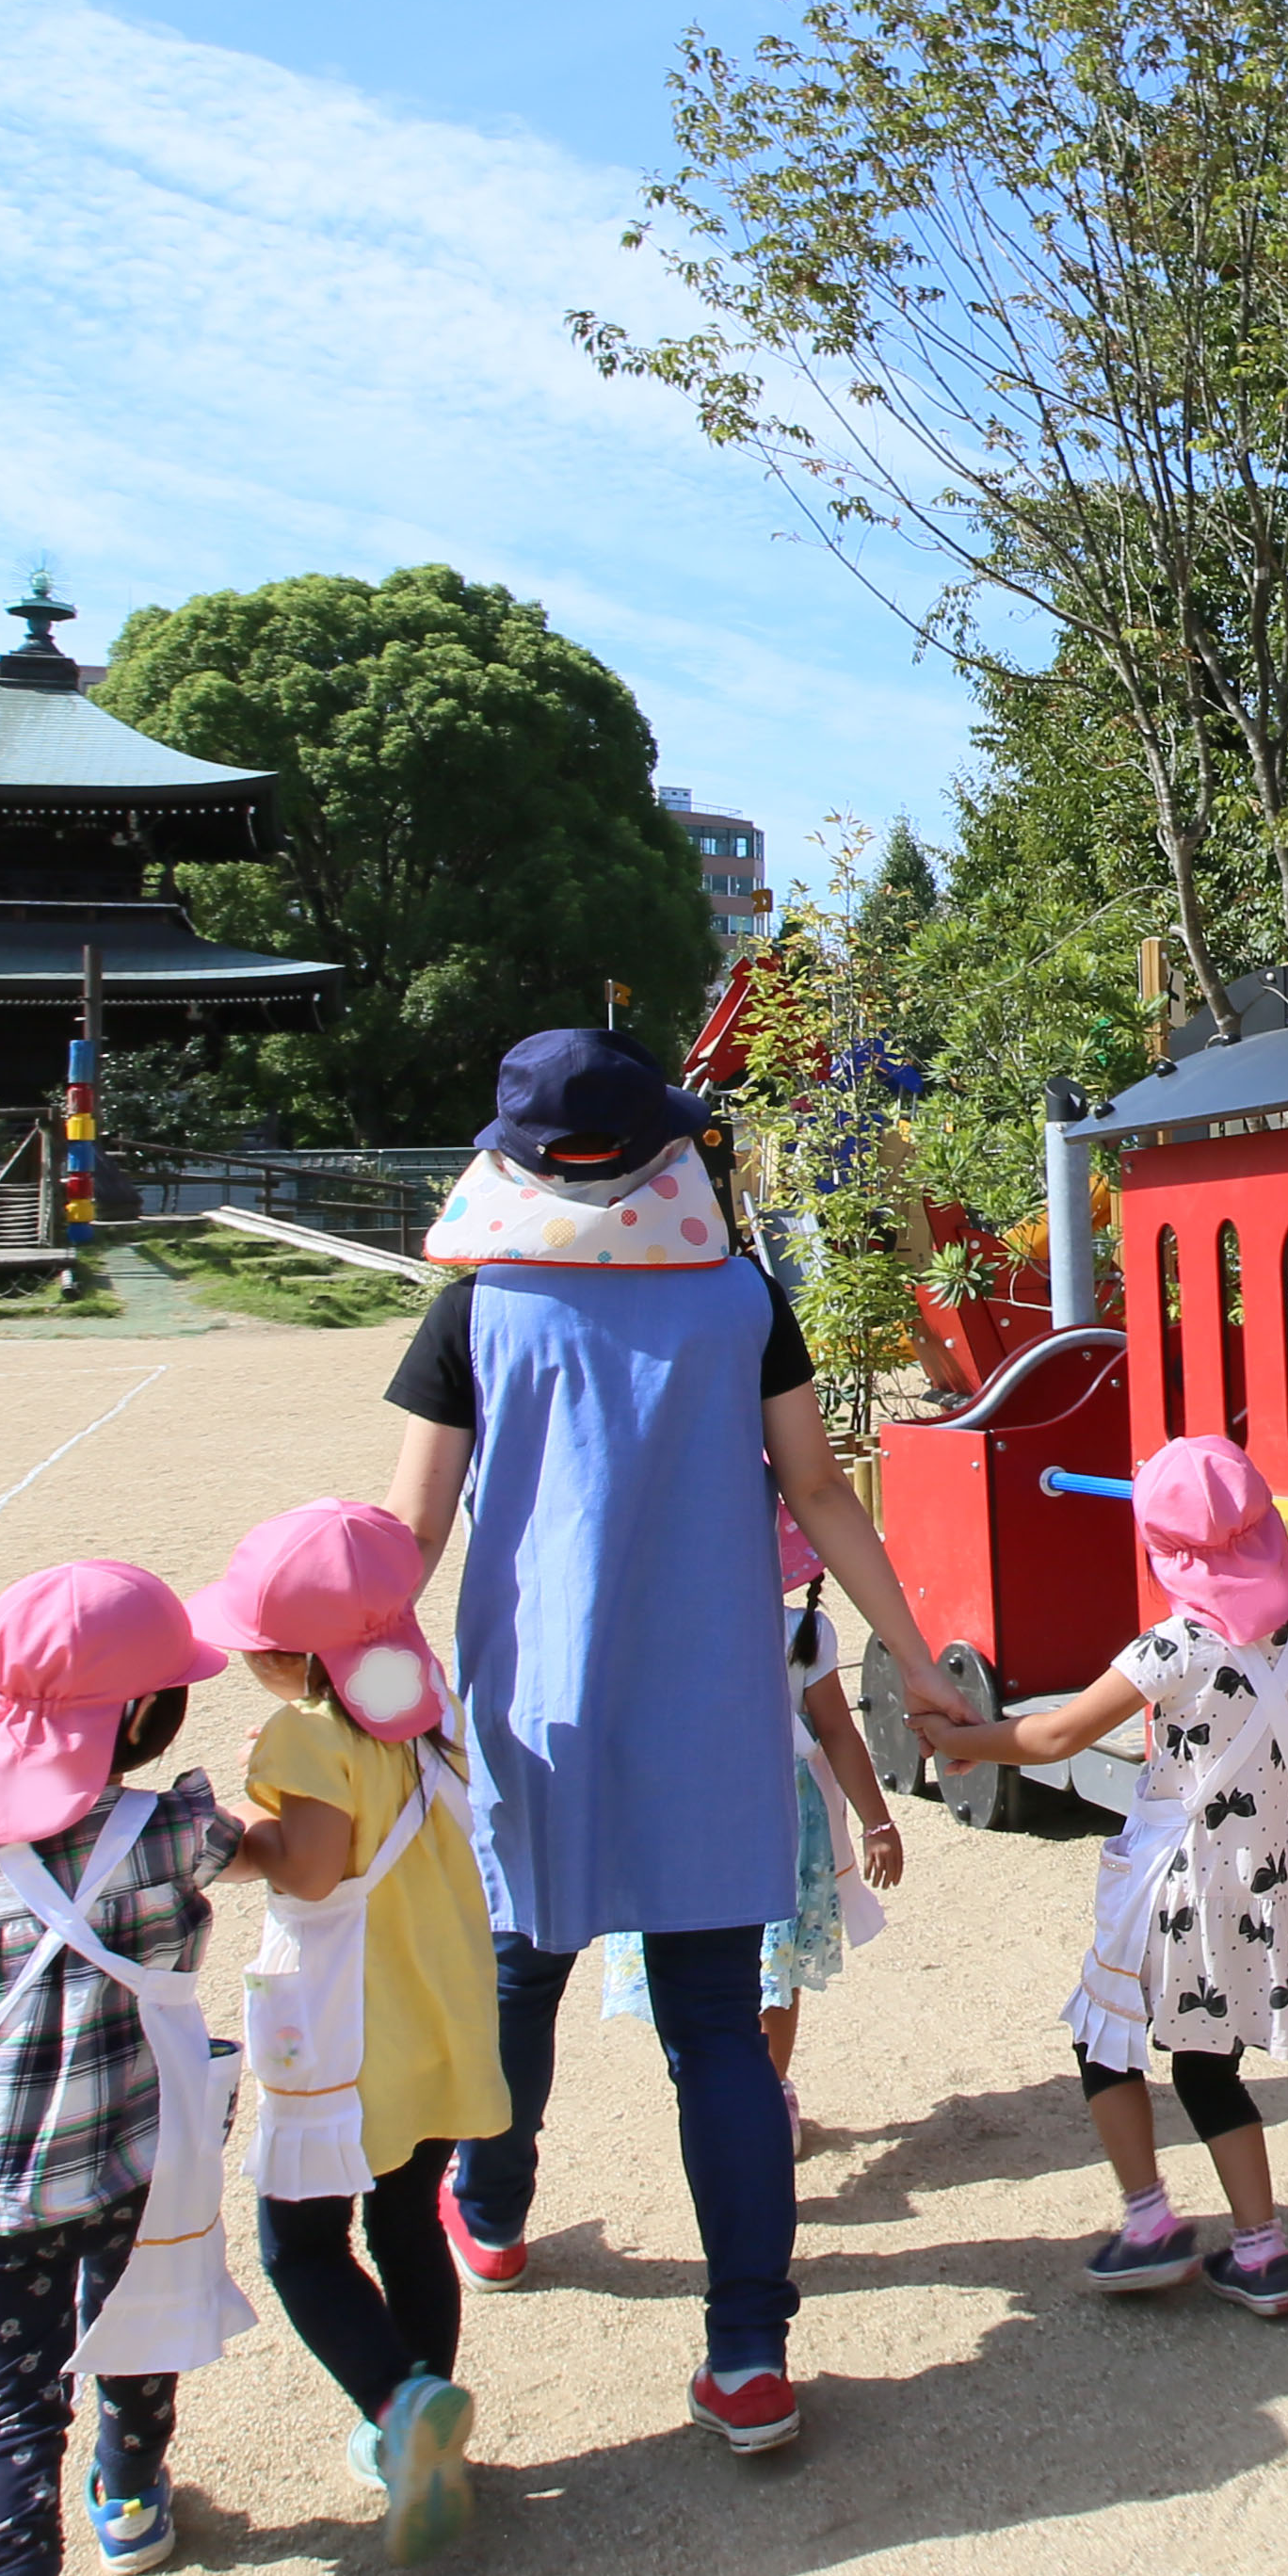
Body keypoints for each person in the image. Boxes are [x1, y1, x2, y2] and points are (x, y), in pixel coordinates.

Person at [385, 1032, 937, 2461]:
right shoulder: (743, 1297)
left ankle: (493, 2214)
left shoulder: (475, 1308)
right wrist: (916, 1653)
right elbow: (816, 1489)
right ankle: (749, 2351)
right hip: (715, 1709)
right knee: (717, 2034)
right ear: (658, 1158)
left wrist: (347, 1685)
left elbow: (408, 1533)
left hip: (539, 1716)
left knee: (520, 1979)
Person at [0, 1559, 256, 2576]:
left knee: (6, 2405)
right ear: (144, 1719)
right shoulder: (169, 1835)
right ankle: (129, 2495)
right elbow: (271, 1855)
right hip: (136, 2159)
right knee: (139, 2328)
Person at [910, 1432, 1288, 2321]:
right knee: (1210, 2064)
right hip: (1259, 1878)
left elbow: (1058, 1734)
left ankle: (1148, 2221)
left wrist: (962, 1744)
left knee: (1104, 2037)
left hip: (1174, 1881)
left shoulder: (1171, 1649)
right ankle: (1262, 2250)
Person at [199, 1496, 508, 2566]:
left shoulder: (300, 1737)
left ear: (293, 1659)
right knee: (409, 2219)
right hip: (438, 2014)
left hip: (347, 2038)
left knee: (300, 2243)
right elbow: (366, 1776)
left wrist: (239, 1829)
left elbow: (313, 1864)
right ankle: (428, 2422)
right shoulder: (424, 1710)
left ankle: (397, 2401)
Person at [759, 1503, 913, 2151]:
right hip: (736, 1822)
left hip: (780, 1827)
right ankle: (744, 2088)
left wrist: (879, 1820)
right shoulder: (683, 1626)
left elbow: (838, 1733)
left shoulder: (804, 1636)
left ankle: (767, 2088)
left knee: (774, 1964)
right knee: (750, 1965)